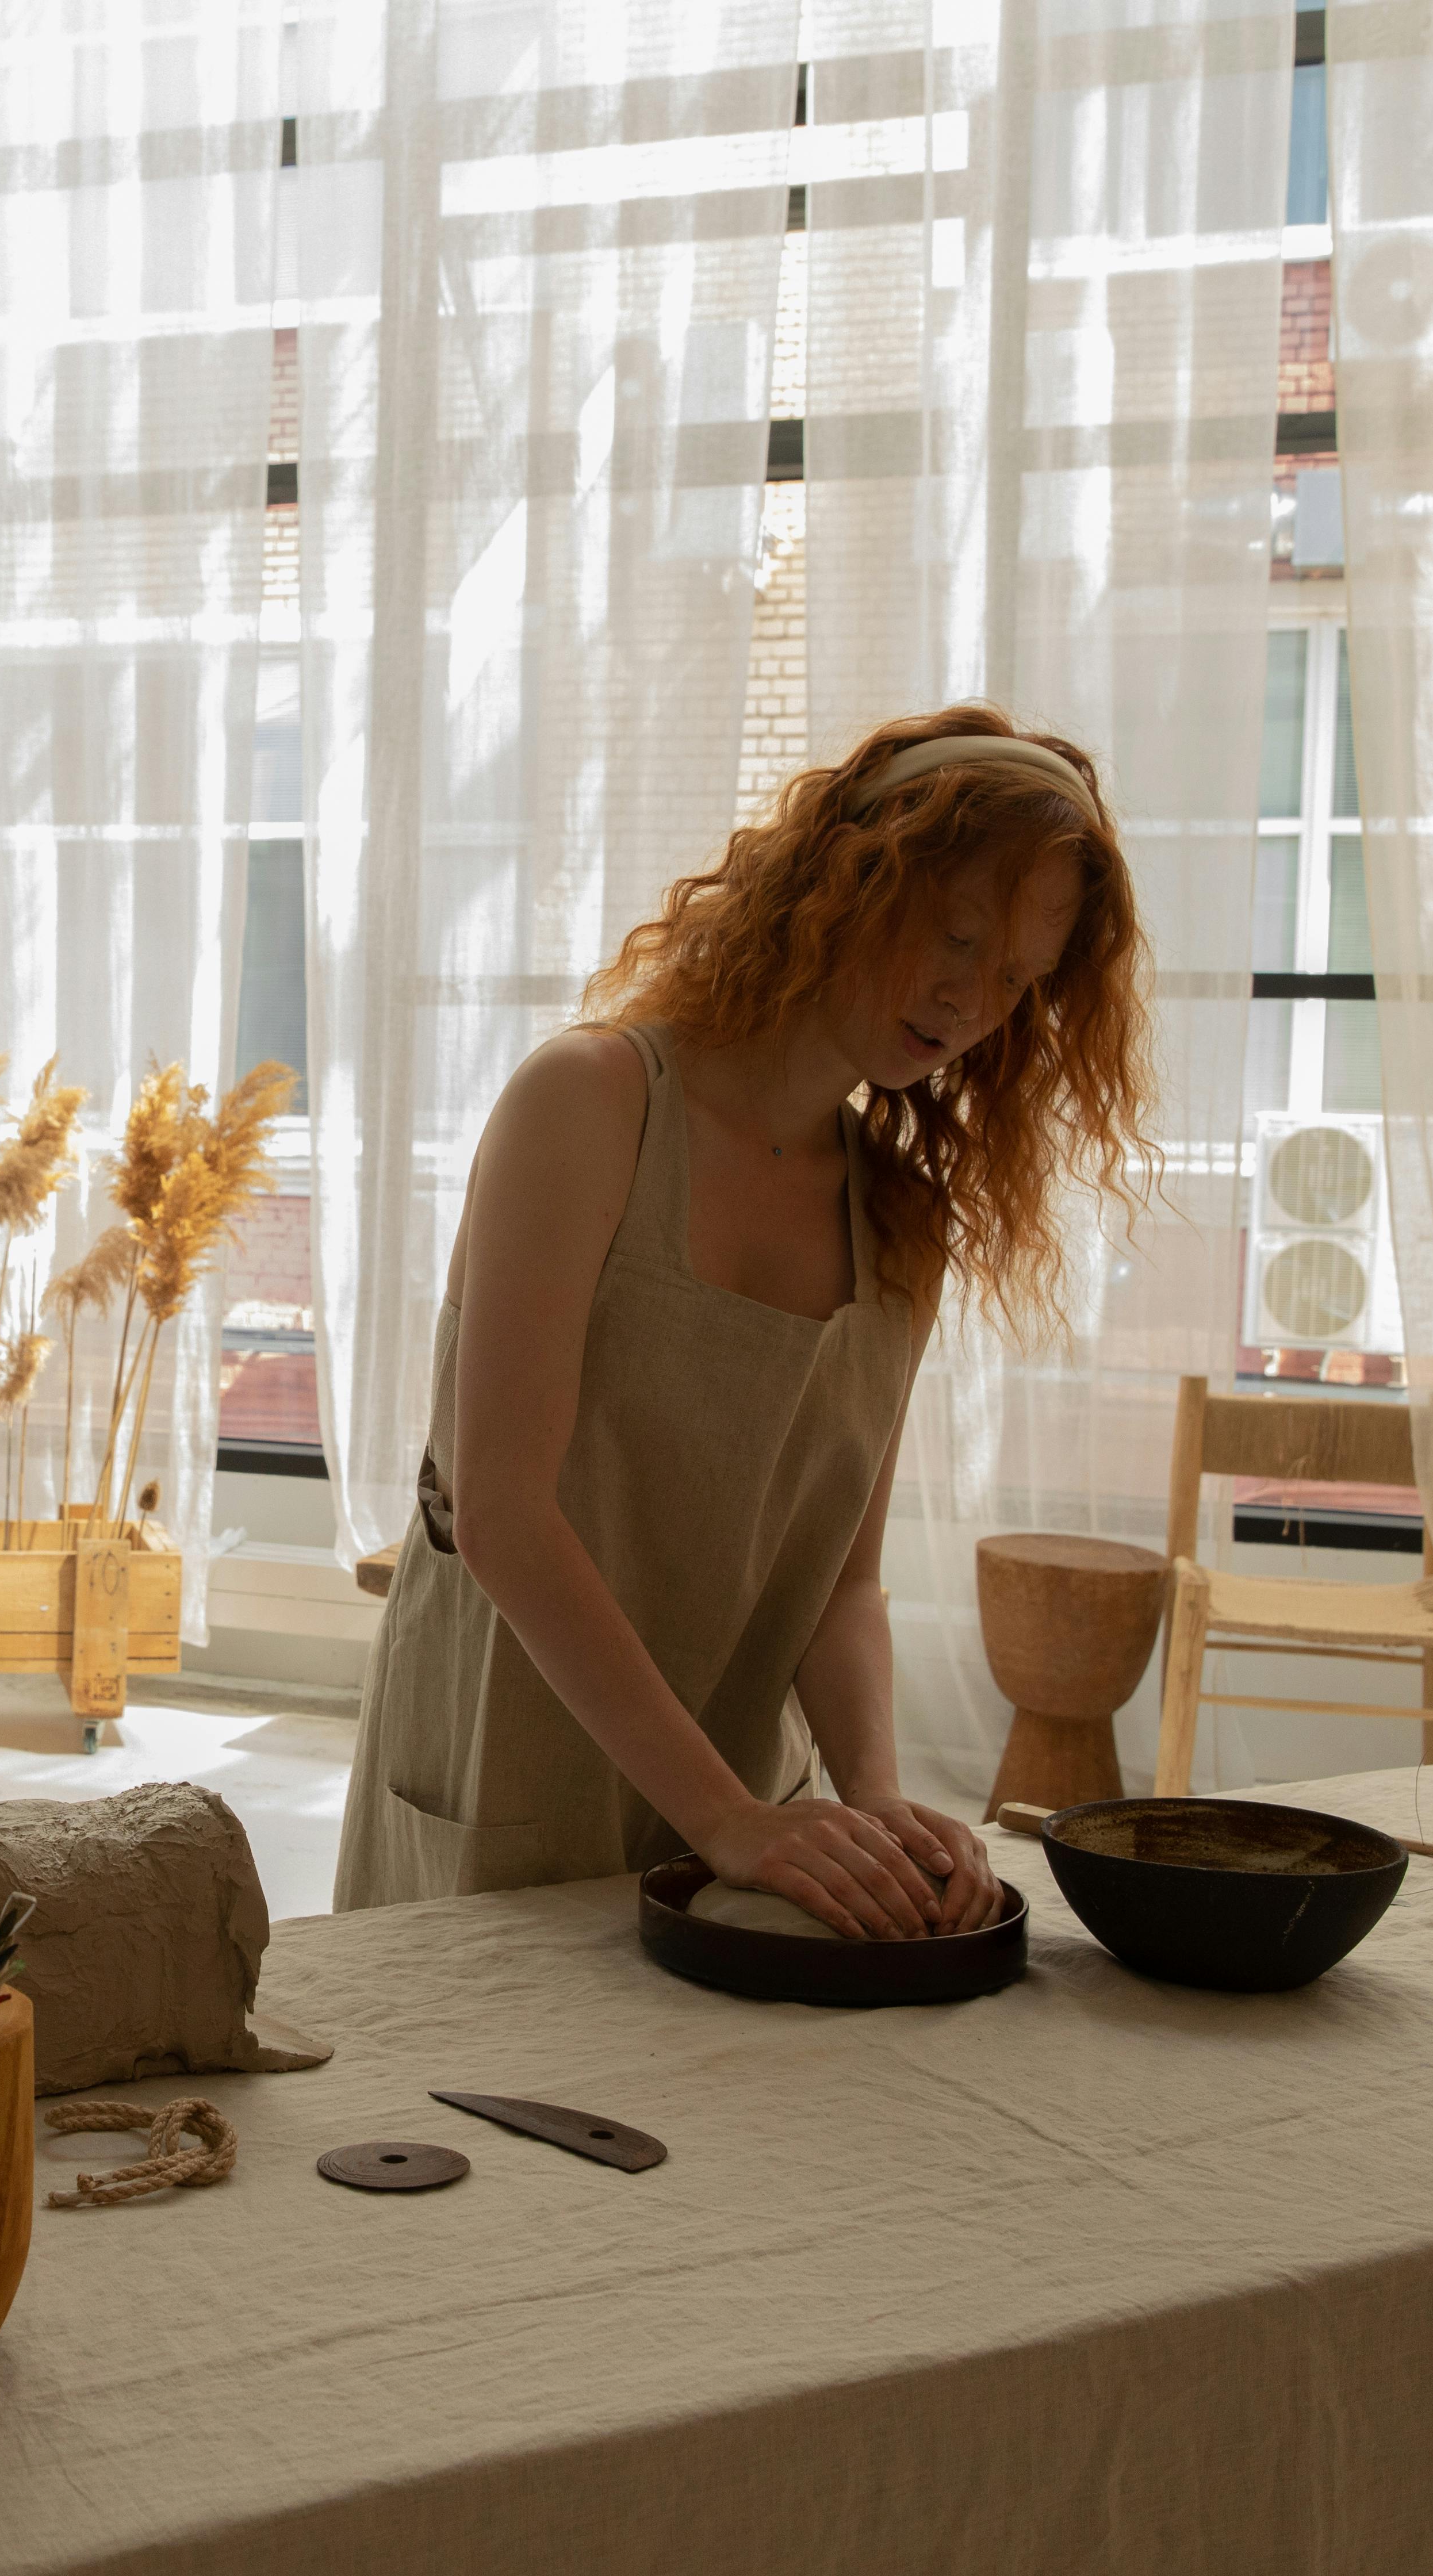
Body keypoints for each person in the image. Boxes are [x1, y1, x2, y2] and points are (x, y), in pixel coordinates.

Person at [334, 707, 1157, 1936]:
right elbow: (503, 1510)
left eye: (1015, 977)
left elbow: (839, 1586)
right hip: (508, 1769)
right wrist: (726, 1818)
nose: (969, 997)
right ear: (844, 879)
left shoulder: (901, 1221)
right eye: (954, 932)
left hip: (746, 1815)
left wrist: (871, 1794)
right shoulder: (592, 1101)